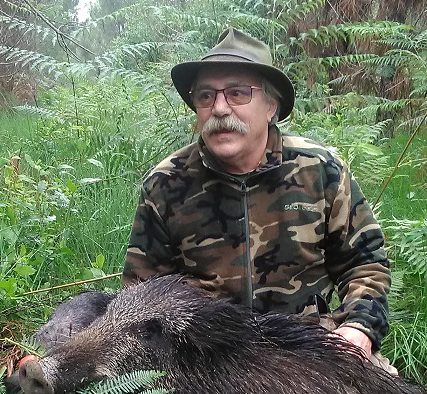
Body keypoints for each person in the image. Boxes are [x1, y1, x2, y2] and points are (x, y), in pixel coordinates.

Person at [123, 27, 391, 361]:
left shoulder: (321, 170)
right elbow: (140, 295)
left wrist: (359, 328)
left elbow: (365, 264)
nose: (219, 108)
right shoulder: (165, 184)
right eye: (206, 96)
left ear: (270, 106)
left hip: (308, 347)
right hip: (206, 359)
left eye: (237, 93)